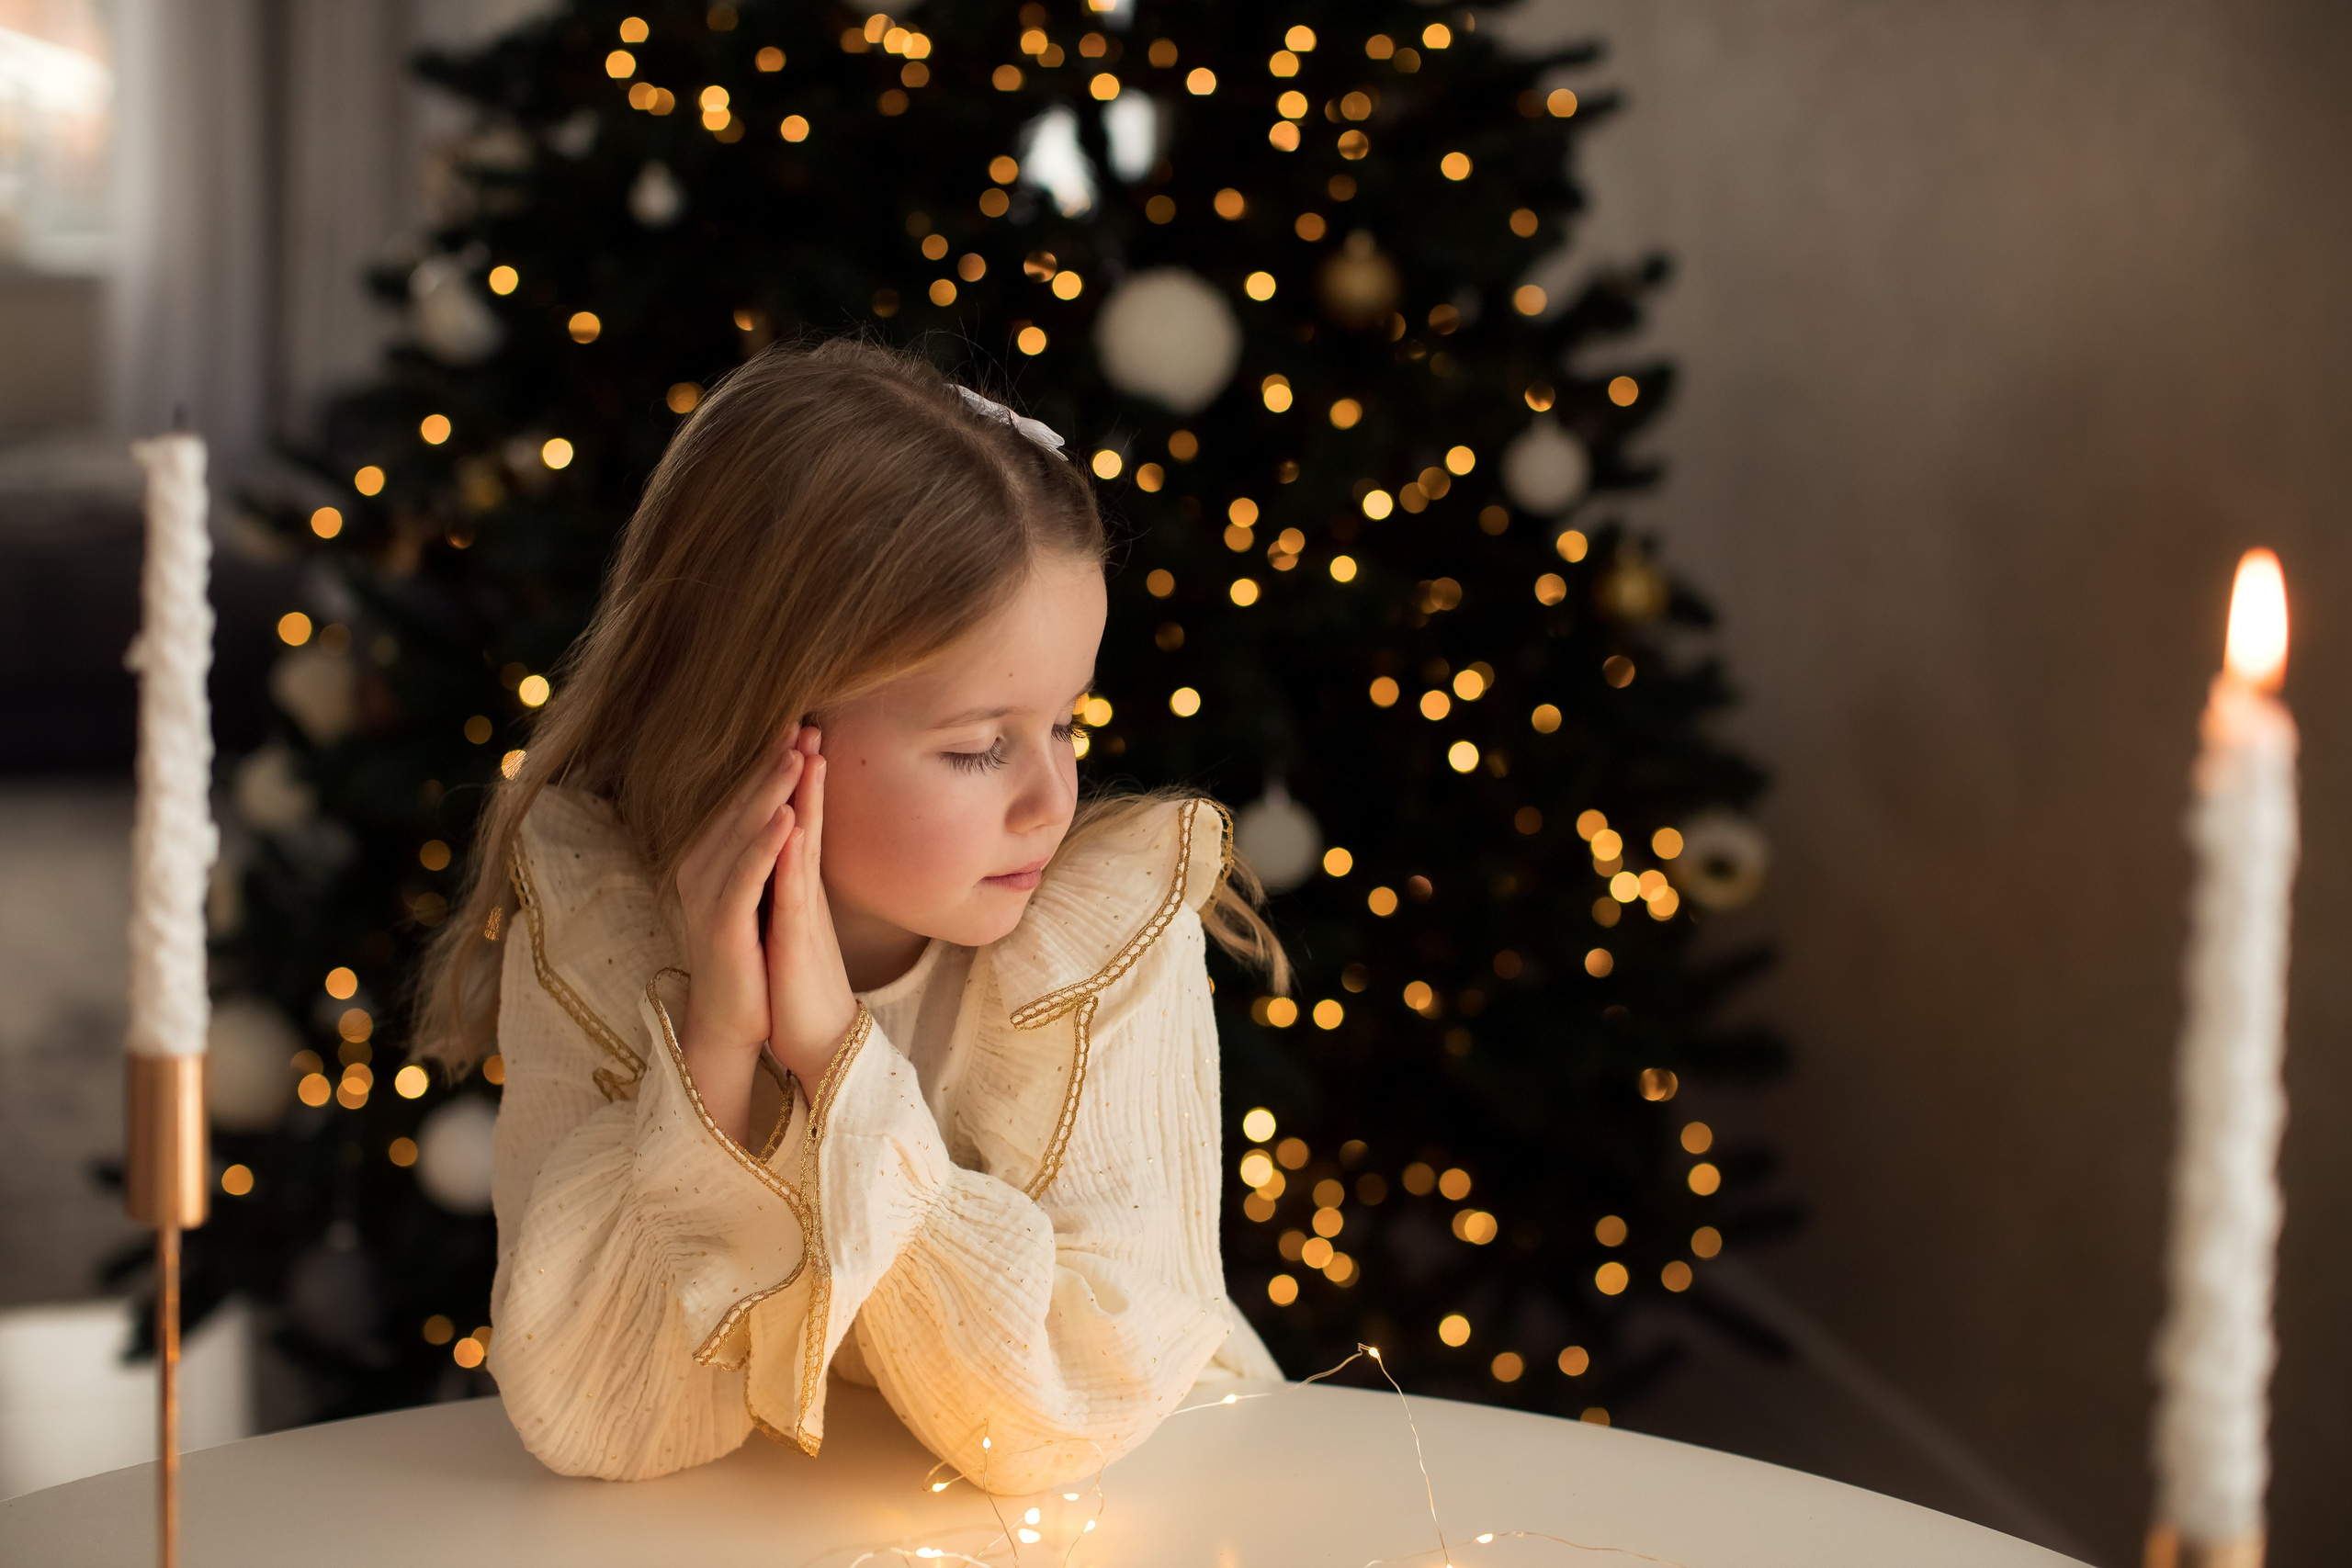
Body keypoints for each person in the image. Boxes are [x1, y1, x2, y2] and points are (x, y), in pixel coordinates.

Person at [411, 339, 1287, 1490]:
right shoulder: (600, 932)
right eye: (979, 747)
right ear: (760, 726)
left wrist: (835, 1061)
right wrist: (717, 1057)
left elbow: (1047, 1422)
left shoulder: (1107, 940)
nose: (1051, 799)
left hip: (1162, 1497)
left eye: (1068, 724)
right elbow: (605, 1424)